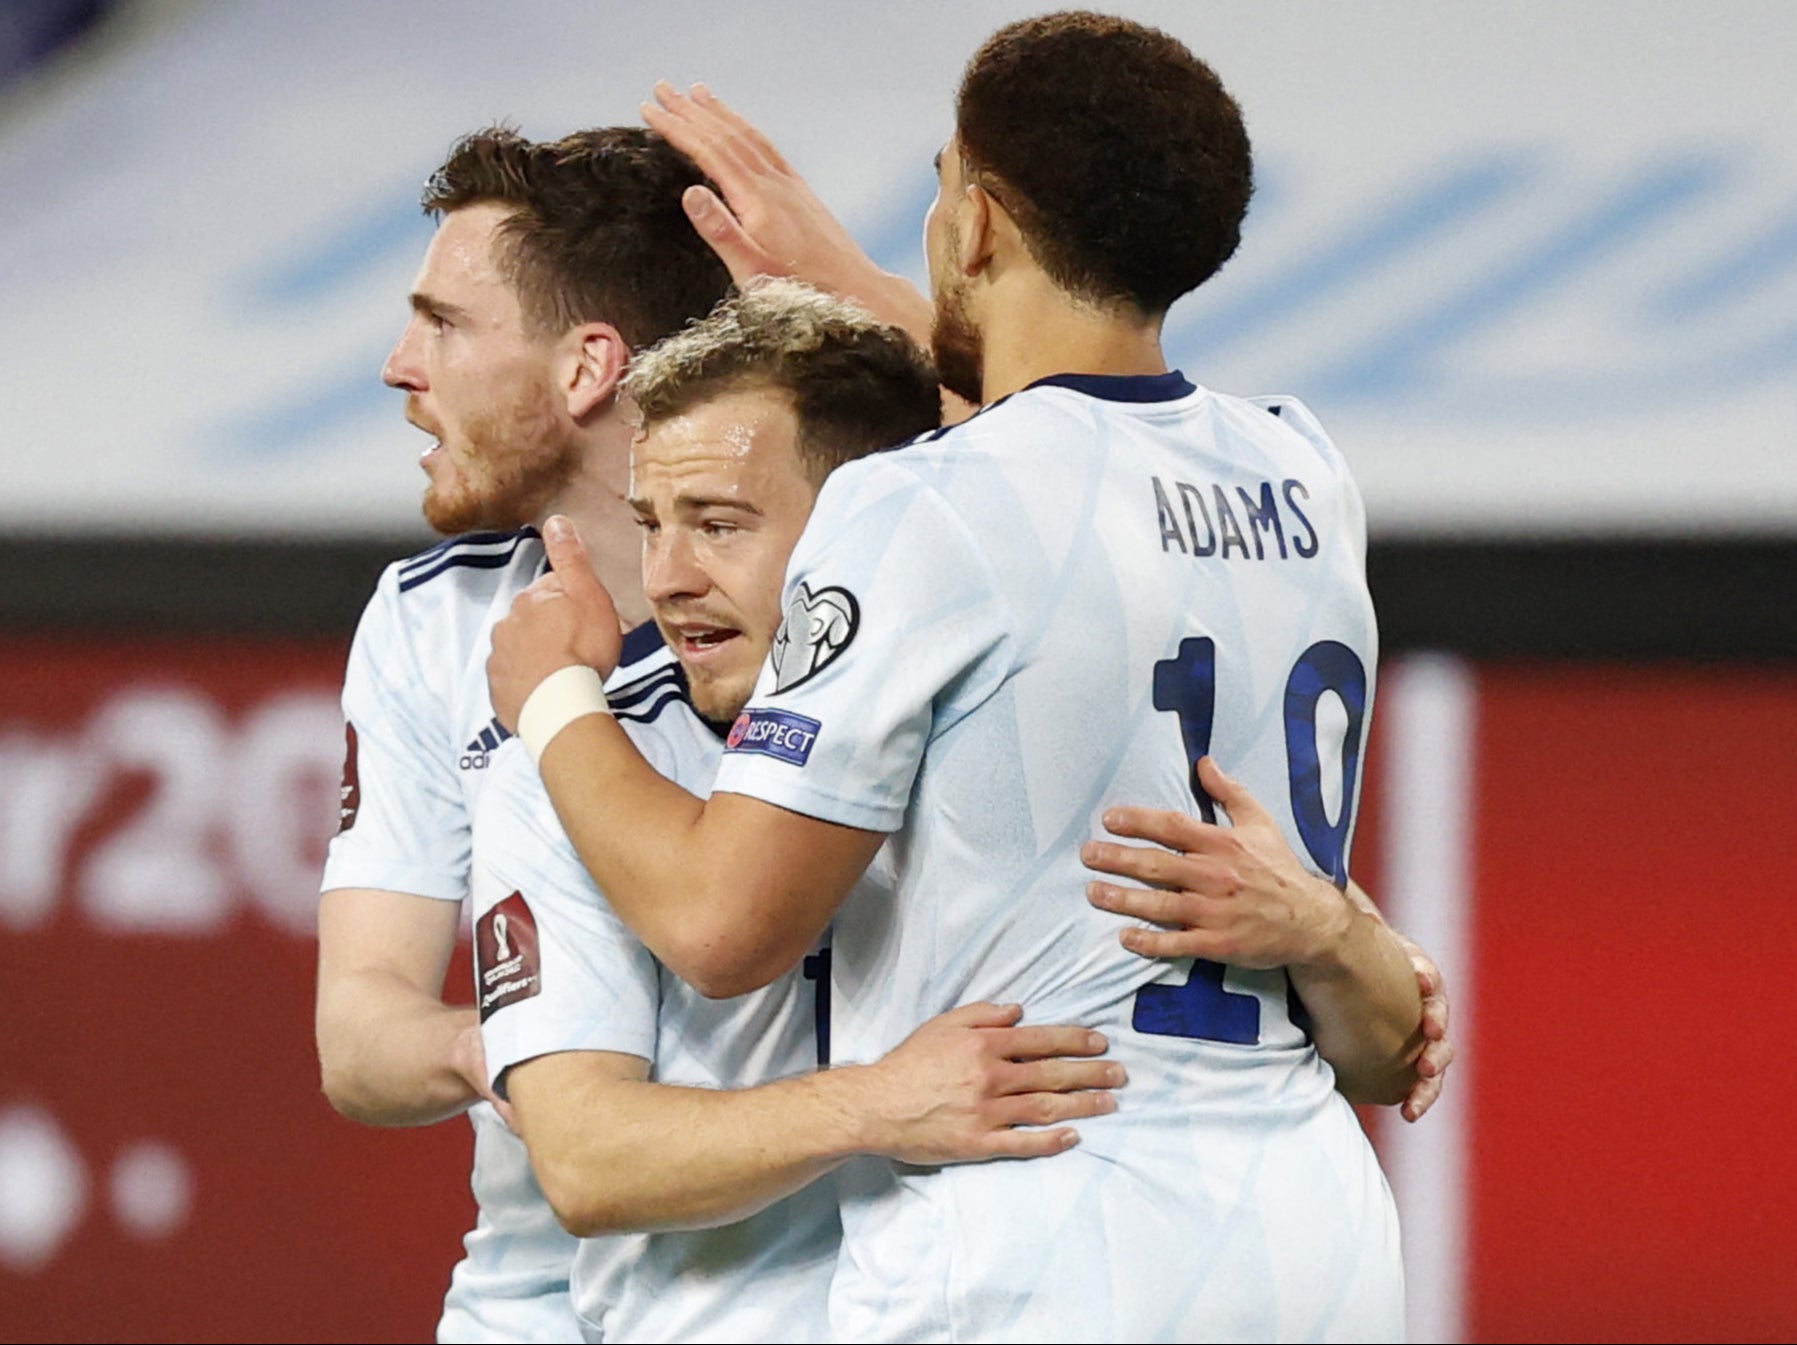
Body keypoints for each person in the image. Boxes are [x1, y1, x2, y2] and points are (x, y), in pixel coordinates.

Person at [488, 14, 1420, 1339]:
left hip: (1044, 1236)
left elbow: (720, 924)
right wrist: (861, 295)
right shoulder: (1302, 472)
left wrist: (556, 702)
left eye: (938, 191)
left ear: (975, 227)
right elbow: (1084, 457)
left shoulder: (905, 512)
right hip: (1312, 1234)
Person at [471, 279, 1125, 1341]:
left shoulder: (1010, 724)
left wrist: (1339, 938)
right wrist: (878, 1103)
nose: (670, 578)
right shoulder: (573, 766)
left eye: (720, 524)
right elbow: (585, 1156)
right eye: (652, 524)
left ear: (867, 531)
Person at [314, 123, 735, 1343]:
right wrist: (529, 1054)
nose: (401, 365)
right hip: (534, 1301)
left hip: (805, 1282)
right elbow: (358, 1035)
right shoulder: (429, 620)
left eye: (445, 325)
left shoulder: (833, 596)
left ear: (586, 367)